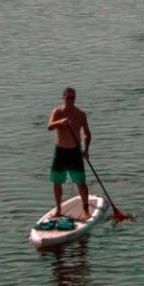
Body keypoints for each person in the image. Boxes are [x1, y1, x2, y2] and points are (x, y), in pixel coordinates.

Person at [46, 87, 91, 217]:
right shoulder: (57, 112)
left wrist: (86, 150)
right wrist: (60, 122)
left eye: (73, 98)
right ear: (63, 98)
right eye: (68, 98)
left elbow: (87, 134)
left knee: (80, 182)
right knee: (57, 181)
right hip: (60, 151)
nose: (70, 100)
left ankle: (86, 209)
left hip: (75, 152)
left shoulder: (80, 114)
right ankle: (59, 210)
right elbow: (49, 127)